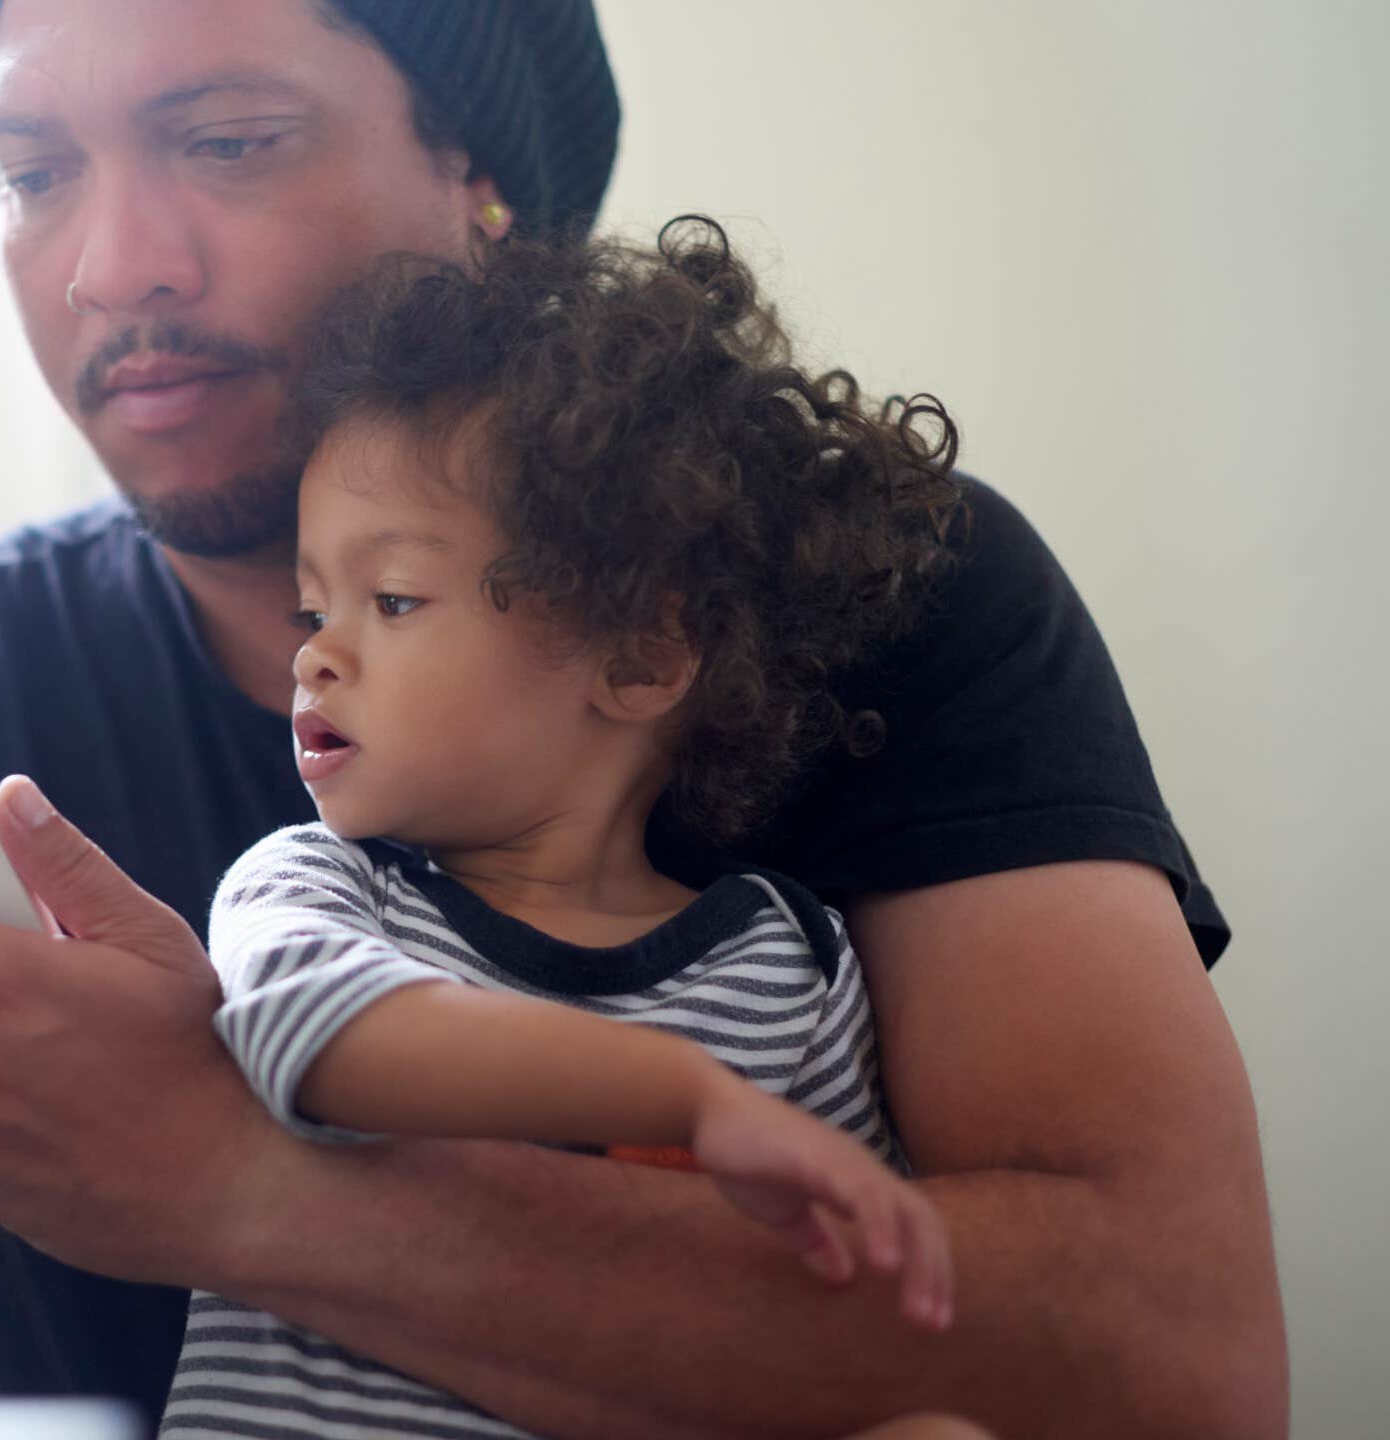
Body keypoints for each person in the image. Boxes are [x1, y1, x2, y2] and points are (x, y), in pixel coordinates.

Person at [0, 2, 1286, 1435]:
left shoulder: (861, 586)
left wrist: (237, 1179)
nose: (110, 265)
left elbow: (1168, 1360)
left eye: (227, 140)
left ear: (484, 184)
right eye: (28, 169)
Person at [159, 223, 964, 1438]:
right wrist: (686, 1100)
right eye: (313, 606)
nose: (314, 652)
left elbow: (837, 1282)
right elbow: (322, 1042)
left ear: (640, 656)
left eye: (391, 600)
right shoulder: (319, 888)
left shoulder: (788, 972)